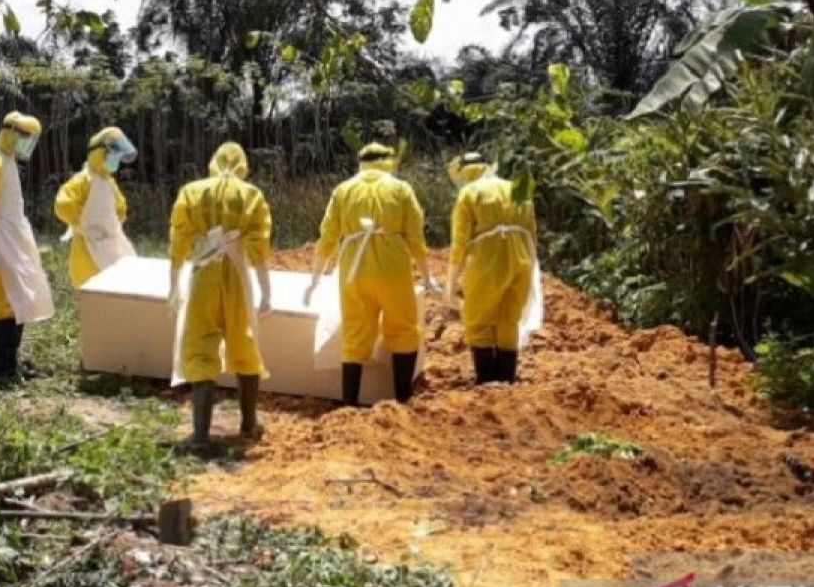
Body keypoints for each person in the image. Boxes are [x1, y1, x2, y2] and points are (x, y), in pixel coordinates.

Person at [304, 142, 436, 406]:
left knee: (355, 333)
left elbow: (327, 237)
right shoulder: (401, 189)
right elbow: (415, 237)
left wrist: (316, 277)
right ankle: (403, 398)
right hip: (393, 270)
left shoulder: (343, 190)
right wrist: (427, 276)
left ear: (361, 162)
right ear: (388, 162)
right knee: (403, 329)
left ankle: (350, 402)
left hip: (354, 271)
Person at [169, 142, 273, 447]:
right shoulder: (251, 195)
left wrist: (173, 284)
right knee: (244, 340)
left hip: (203, 271)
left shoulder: (192, 191)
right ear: (243, 165)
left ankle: (200, 434)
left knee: (200, 344)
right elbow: (260, 247)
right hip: (237, 274)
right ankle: (248, 425)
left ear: (213, 162)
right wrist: (266, 292)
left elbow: (178, 239)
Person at [0, 111, 55, 380]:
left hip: (12, 235)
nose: (25, 144)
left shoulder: (6, 160)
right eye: (23, 138)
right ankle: (1, 364)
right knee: (1, 300)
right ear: (10, 133)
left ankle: (4, 360)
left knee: (11, 298)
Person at [445, 151, 541, 384]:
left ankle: (487, 381)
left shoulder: (469, 193)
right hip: (521, 257)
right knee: (509, 319)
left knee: (478, 318)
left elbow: (459, 243)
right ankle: (506, 380)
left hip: (488, 258)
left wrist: (450, 283)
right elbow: (532, 232)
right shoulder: (515, 189)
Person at [55, 127, 138, 287]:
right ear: (100, 153)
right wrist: (81, 222)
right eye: (114, 155)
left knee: (123, 282)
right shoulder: (83, 180)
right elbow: (63, 204)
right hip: (87, 245)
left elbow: (120, 207)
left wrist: (113, 224)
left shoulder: (109, 183)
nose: (116, 159)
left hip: (112, 241)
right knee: (92, 288)